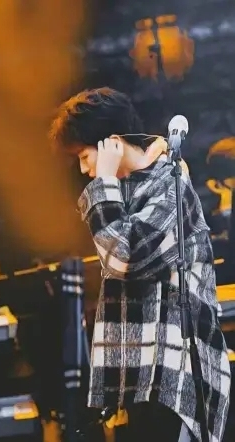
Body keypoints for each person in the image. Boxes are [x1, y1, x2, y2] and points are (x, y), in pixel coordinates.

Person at [49, 87, 231, 442]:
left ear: (112, 144)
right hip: (144, 382)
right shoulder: (128, 193)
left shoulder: (169, 184)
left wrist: (104, 181)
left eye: (85, 156)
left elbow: (123, 258)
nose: (85, 169)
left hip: (174, 379)